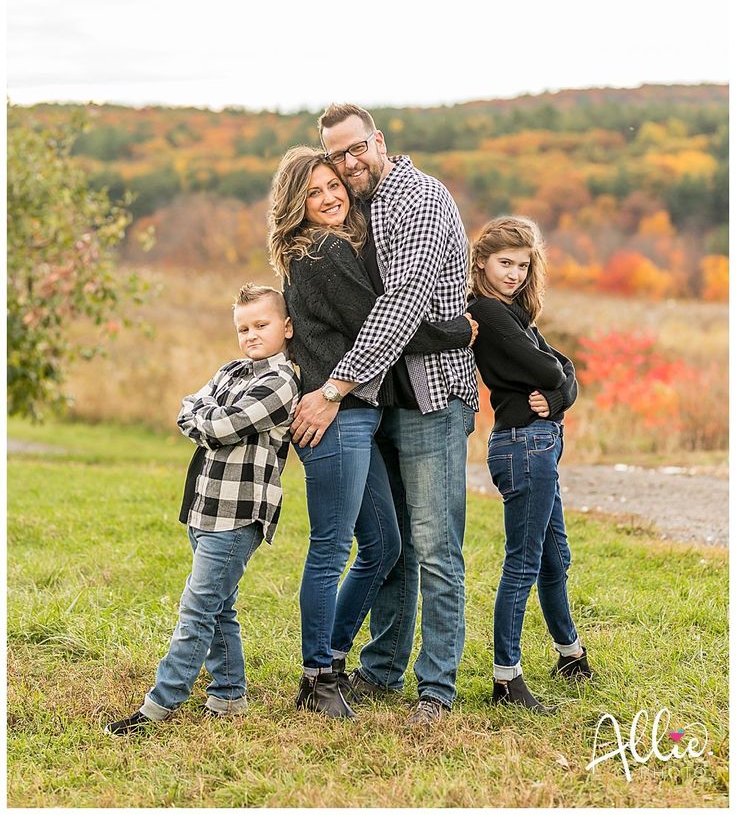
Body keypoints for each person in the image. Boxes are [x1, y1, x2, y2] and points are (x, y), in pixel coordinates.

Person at [268, 146, 475, 719]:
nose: (330, 197)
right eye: (313, 192)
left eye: (334, 185)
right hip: (336, 417)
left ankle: (333, 659)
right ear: (293, 204)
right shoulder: (324, 251)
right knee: (335, 548)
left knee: (385, 546)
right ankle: (320, 674)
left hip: (357, 415)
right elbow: (386, 321)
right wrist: (458, 330)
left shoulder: (319, 250)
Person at [104, 284, 299, 735]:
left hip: (238, 516)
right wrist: (203, 415)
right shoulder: (231, 371)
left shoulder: (281, 382)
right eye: (243, 328)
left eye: (261, 326)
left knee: (196, 610)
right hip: (204, 507)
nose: (251, 335)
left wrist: (204, 415)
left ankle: (160, 704)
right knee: (219, 607)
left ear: (286, 327)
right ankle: (229, 696)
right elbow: (186, 408)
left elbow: (218, 423)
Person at [467, 216, 593, 713]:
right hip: (523, 446)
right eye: (505, 263)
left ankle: (569, 653)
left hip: (541, 441)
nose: (515, 273)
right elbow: (548, 367)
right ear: (481, 263)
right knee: (523, 561)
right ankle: (506, 678)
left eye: (523, 264)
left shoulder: (513, 314)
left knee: (553, 558)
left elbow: (564, 372)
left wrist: (563, 390)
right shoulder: (489, 312)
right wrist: (562, 380)